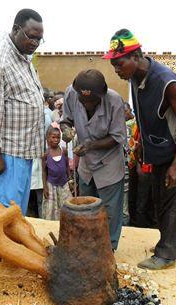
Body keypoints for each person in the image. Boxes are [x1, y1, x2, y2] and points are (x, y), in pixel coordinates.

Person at [105, 29, 176, 269]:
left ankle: (167, 254)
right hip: (155, 146)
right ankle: (169, 241)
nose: (117, 70)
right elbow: (145, 117)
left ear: (135, 56)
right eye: (113, 65)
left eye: (119, 64)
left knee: (173, 199)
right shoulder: (135, 78)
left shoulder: (166, 81)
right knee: (160, 198)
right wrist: (143, 144)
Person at [0, 8, 45, 215]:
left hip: (23, 151)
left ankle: (15, 247)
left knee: (17, 213)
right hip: (6, 155)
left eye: (39, 39)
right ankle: (2, 248)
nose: (35, 43)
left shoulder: (23, 58)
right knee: (7, 214)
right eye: (31, 37)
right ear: (16, 29)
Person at [60, 69, 126, 250]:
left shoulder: (114, 101)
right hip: (86, 165)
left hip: (109, 163)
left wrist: (90, 145)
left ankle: (109, 248)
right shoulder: (71, 94)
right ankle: (87, 246)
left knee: (110, 211)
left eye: (92, 101)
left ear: (102, 94)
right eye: (83, 101)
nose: (87, 105)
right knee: (85, 207)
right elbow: (65, 120)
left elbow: (118, 137)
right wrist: (66, 130)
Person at [42, 126, 72, 220]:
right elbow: (44, 171)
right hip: (51, 185)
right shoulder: (46, 154)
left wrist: (70, 180)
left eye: (58, 137)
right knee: (51, 209)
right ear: (48, 138)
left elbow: (67, 166)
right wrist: (45, 187)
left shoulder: (64, 151)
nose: (56, 140)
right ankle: (52, 226)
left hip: (64, 184)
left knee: (67, 205)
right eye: (53, 137)